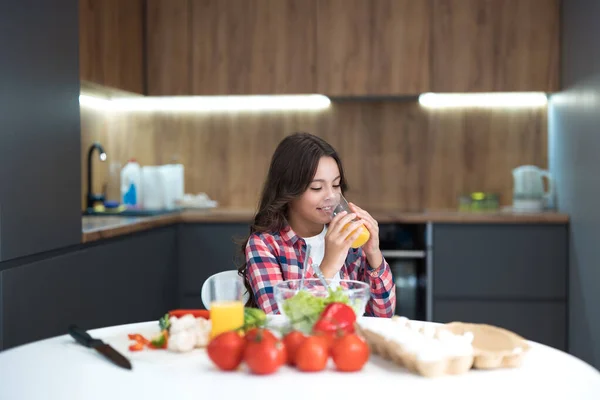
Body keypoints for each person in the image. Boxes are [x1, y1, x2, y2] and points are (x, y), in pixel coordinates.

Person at [238, 132, 396, 317]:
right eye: (317, 188)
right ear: (289, 190)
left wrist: (373, 254)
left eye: (336, 185)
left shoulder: (347, 235)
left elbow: (383, 315)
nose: (330, 196)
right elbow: (281, 320)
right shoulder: (265, 245)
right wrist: (328, 265)